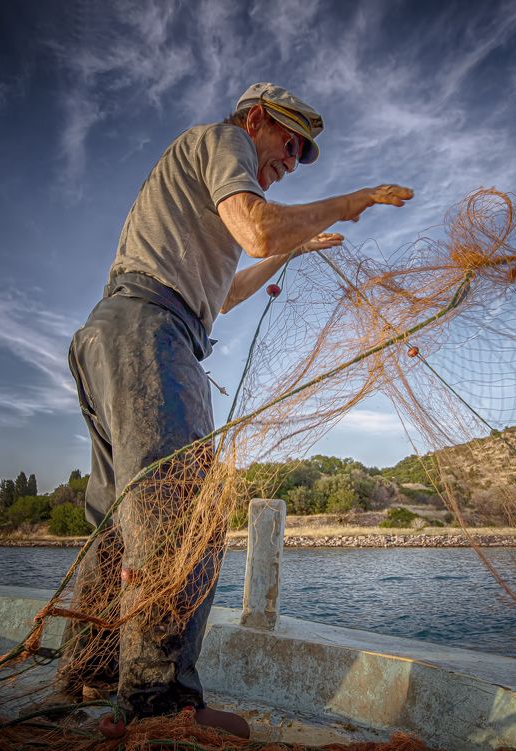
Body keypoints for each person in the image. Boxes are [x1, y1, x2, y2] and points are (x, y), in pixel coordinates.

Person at [56, 82, 413, 738]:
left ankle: (92, 671)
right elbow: (256, 231)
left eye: (300, 153)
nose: (289, 160)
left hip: (113, 333)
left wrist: (293, 247)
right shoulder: (223, 144)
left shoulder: (200, 185)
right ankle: (159, 705)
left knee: (117, 527)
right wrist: (354, 200)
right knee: (184, 516)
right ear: (255, 119)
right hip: (149, 335)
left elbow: (222, 293)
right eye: (288, 143)